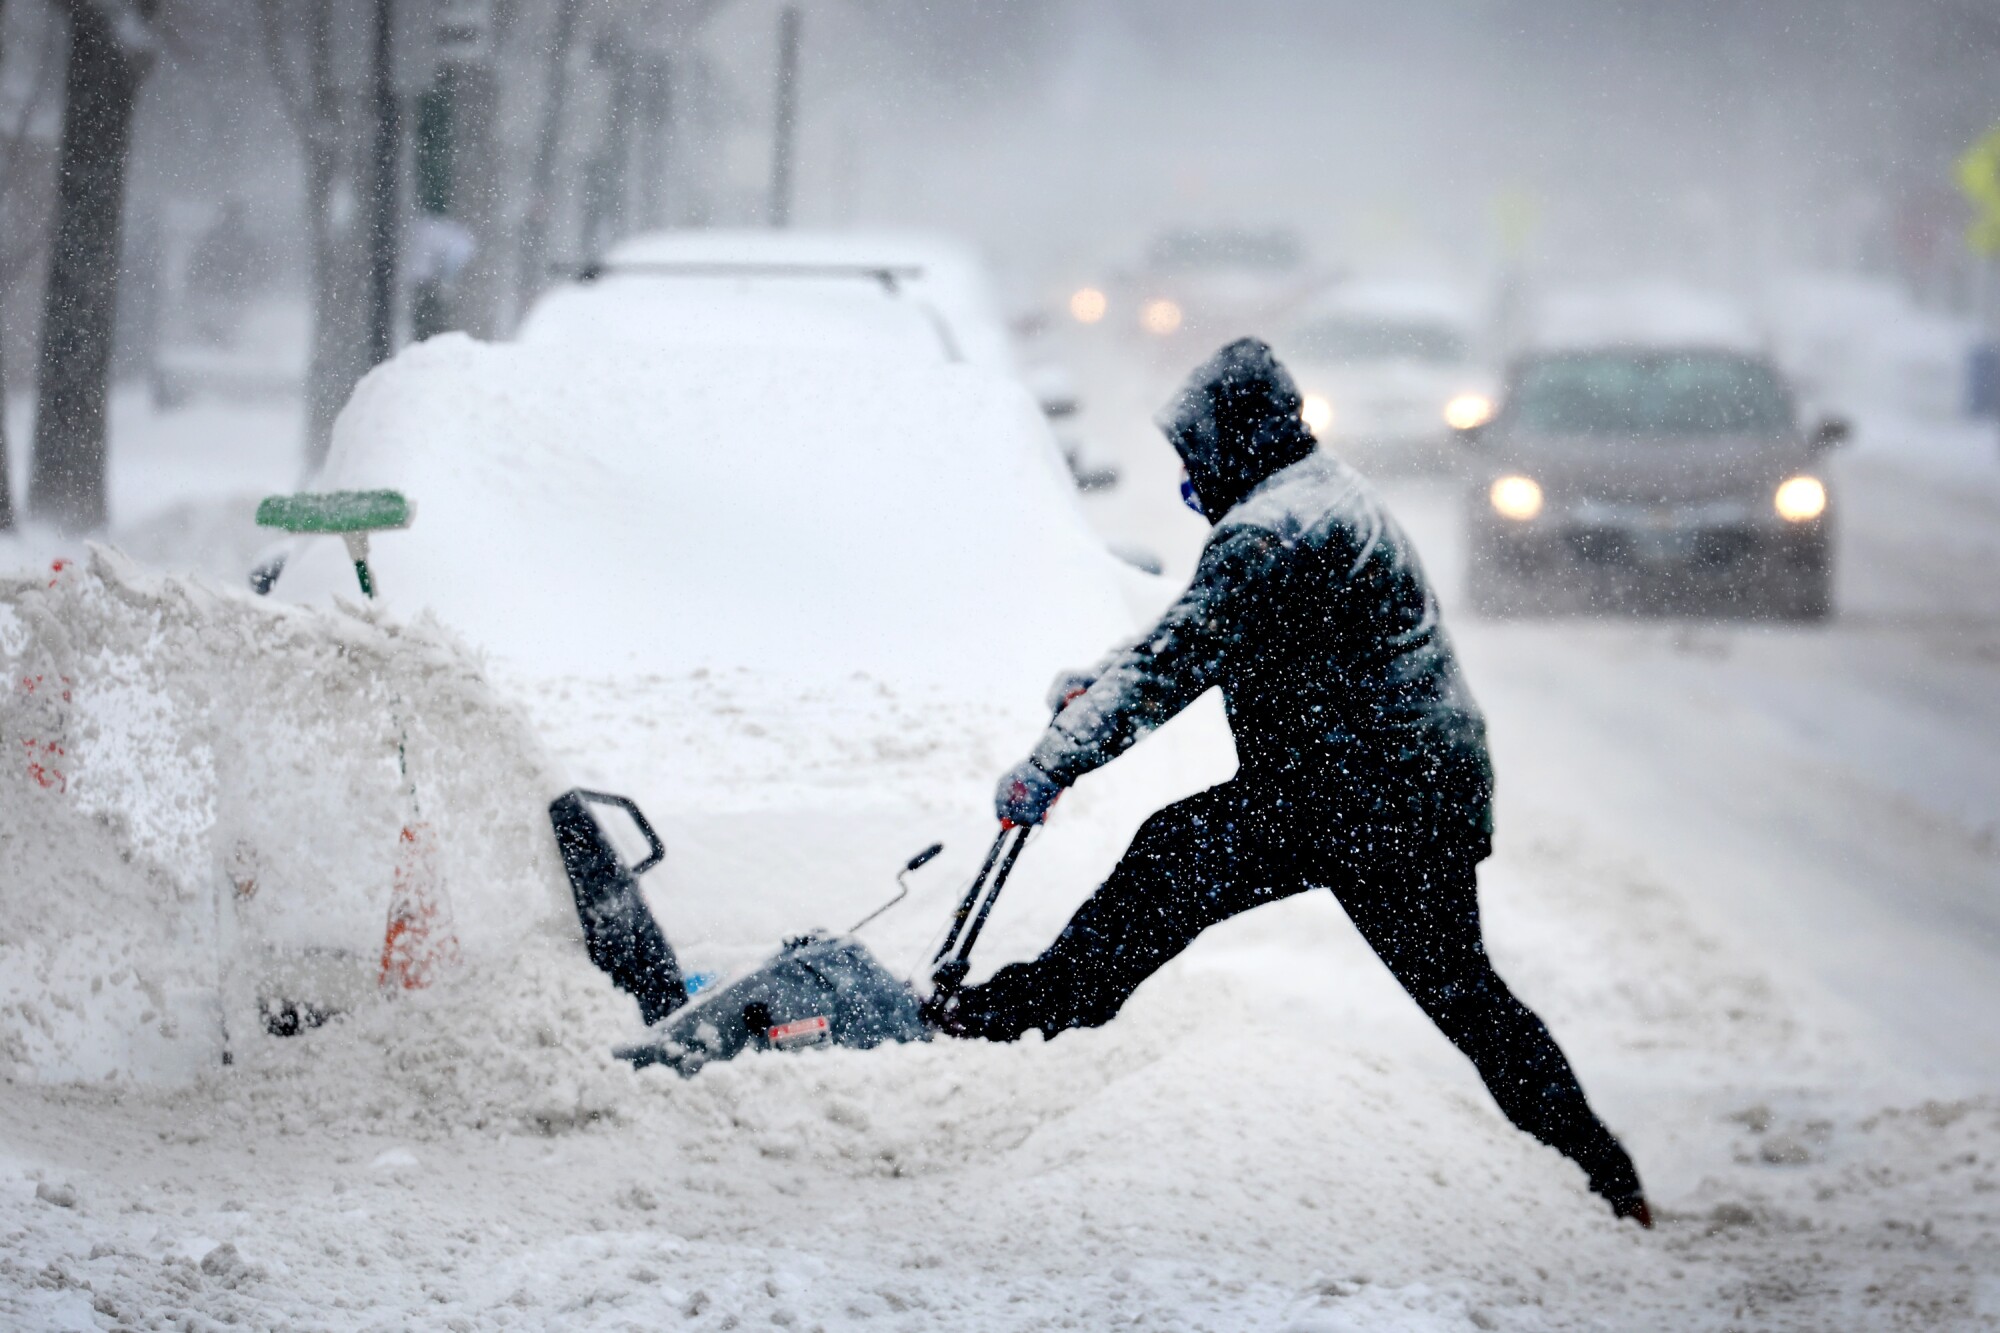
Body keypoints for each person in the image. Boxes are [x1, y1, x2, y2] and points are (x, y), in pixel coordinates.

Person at [927, 337, 1651, 1226]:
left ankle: (1004, 1025)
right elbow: (1187, 633)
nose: (1190, 480)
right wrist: (1099, 677)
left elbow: (1173, 662)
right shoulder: (1308, 491)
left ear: (1238, 441)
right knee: (1464, 992)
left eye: (1195, 458)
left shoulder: (1274, 532)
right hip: (1389, 781)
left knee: (1181, 860)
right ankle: (1603, 1178)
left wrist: (1052, 762)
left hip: (1367, 791)